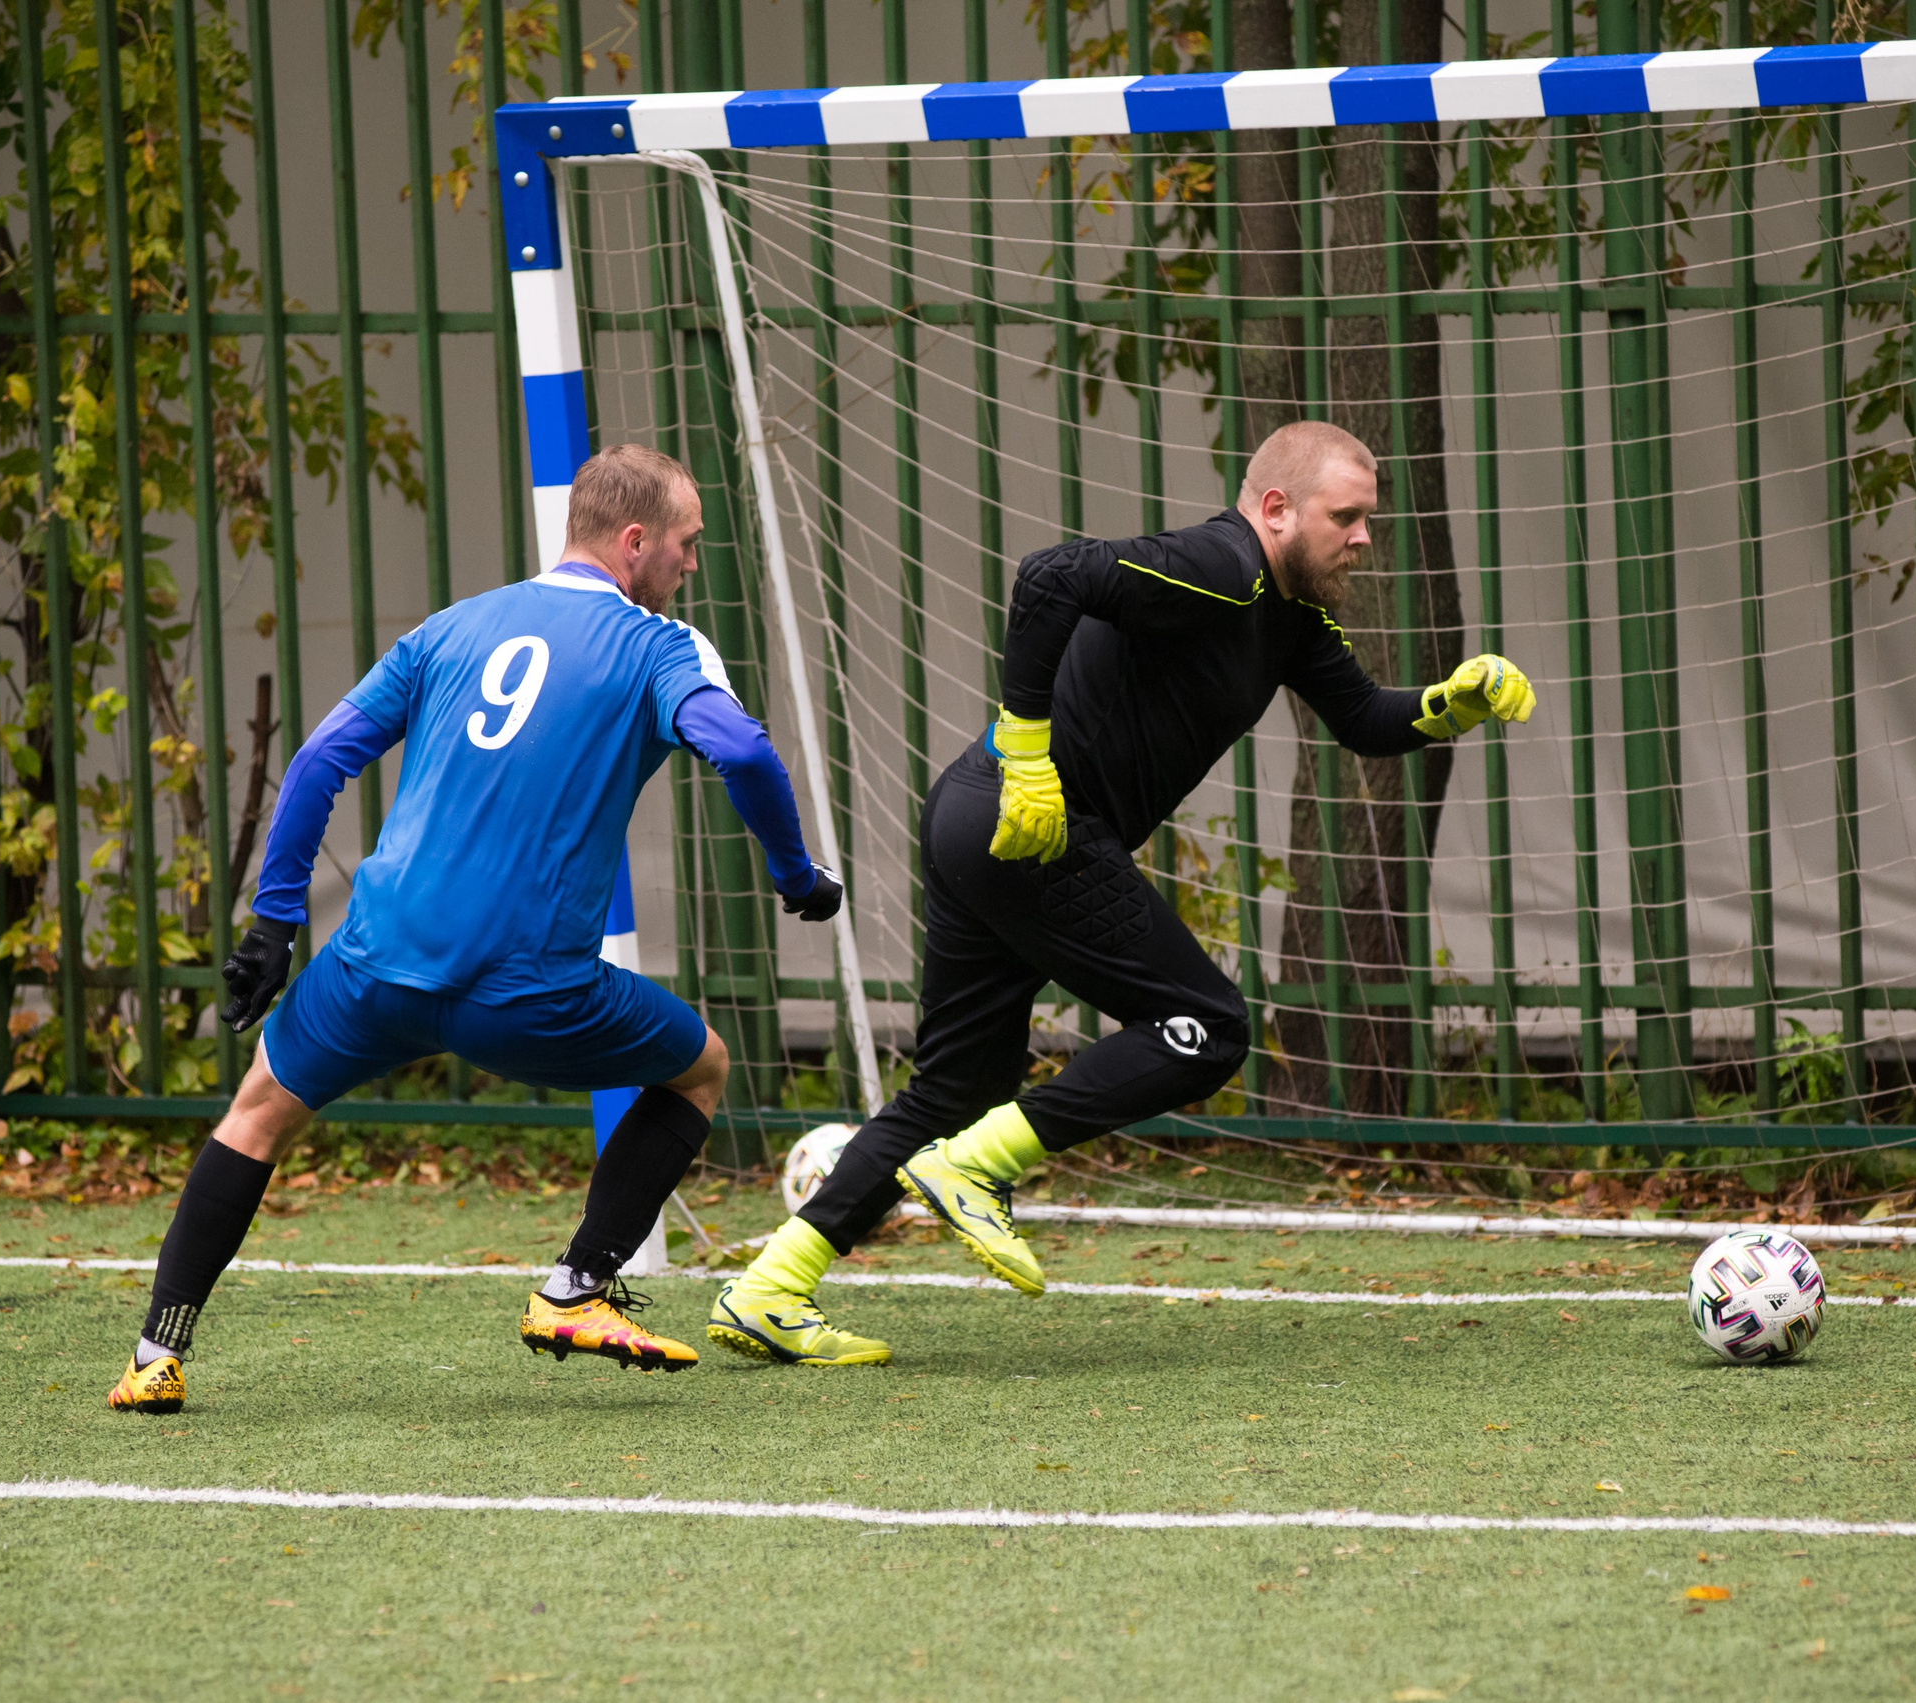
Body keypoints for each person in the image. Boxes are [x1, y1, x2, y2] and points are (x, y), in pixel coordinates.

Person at [707, 420, 1535, 1367]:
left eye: (1366, 520)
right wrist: (1028, 753)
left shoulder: (1288, 616)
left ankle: (771, 1284)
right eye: (1345, 517)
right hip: (1027, 823)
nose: (1361, 537)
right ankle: (975, 1166)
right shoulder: (1222, 564)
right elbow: (1050, 576)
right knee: (1208, 1025)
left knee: (961, 1083)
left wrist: (1452, 703)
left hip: (982, 821)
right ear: (1274, 509)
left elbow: (1364, 720)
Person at [108, 443, 843, 1414]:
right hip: (527, 989)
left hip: (375, 966)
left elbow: (321, 758)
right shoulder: (662, 645)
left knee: (254, 1114)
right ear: (633, 542)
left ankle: (155, 1353)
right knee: (700, 1066)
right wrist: (797, 873)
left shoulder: (453, 628)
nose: (691, 564)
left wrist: (274, 925)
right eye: (685, 543)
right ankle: (576, 1286)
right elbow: (742, 749)